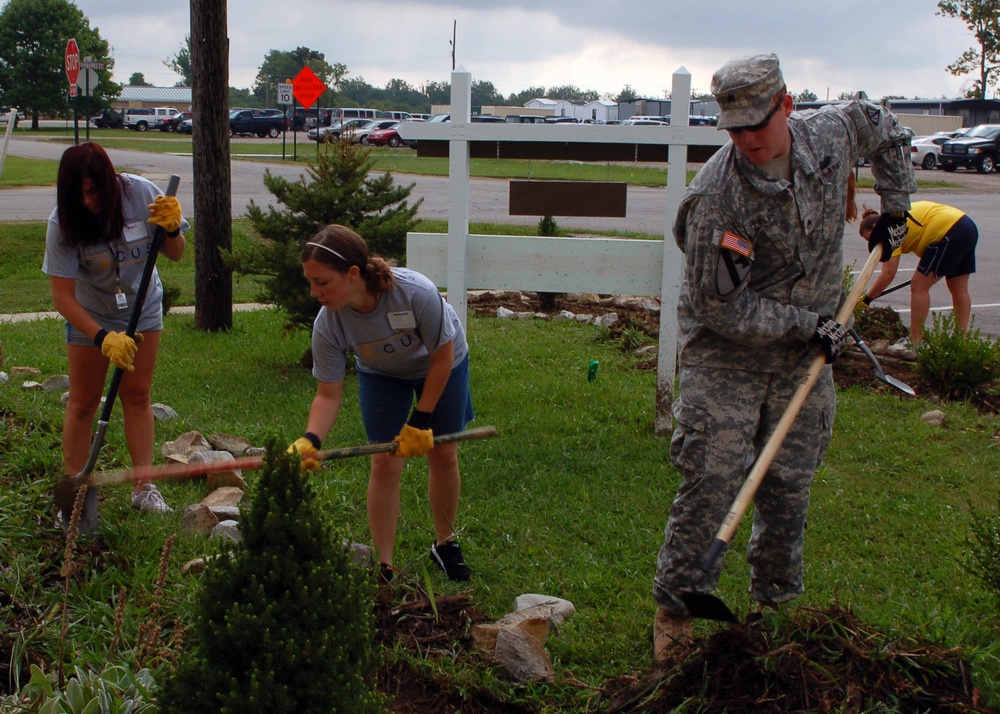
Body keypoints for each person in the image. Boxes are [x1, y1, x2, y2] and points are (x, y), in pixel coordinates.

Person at [652, 53, 916, 664]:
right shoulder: (717, 198)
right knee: (714, 479)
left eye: (756, 124)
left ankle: (773, 617)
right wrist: (808, 326)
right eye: (734, 129)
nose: (746, 140)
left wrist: (896, 208)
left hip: (808, 352)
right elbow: (719, 307)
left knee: (789, 485)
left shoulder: (831, 134)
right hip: (728, 354)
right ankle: (676, 615)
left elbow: (889, 131)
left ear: (787, 105)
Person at [288, 224, 475, 587]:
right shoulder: (328, 324)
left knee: (443, 453)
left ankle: (445, 544)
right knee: (384, 461)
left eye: (322, 282)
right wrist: (310, 439)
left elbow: (441, 358)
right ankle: (384, 565)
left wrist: (420, 421)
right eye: (310, 282)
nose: (314, 292)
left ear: (352, 273)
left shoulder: (415, 292)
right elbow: (328, 395)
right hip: (381, 373)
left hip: (442, 365)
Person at [44, 142, 188, 531]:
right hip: (89, 312)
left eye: (93, 191)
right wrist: (103, 338)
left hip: (142, 307)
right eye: (79, 194)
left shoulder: (142, 195)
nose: (87, 201)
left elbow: (176, 253)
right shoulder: (63, 222)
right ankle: (75, 491)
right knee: (83, 402)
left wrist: (172, 228)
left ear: (109, 183)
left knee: (137, 395)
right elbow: (62, 296)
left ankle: (144, 487)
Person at [858, 202, 977, 342]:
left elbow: (888, 273)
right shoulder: (895, 216)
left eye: (870, 239)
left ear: (875, 227)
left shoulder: (888, 229)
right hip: (966, 226)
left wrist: (866, 299)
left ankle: (915, 341)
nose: (873, 245)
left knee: (918, 285)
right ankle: (960, 340)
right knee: (958, 289)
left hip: (948, 232)